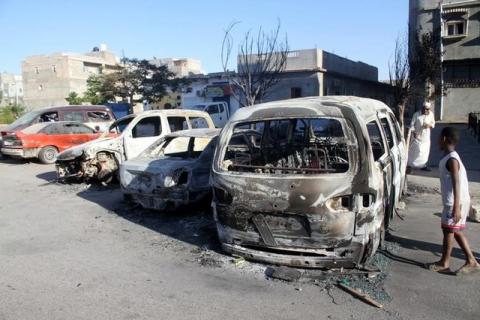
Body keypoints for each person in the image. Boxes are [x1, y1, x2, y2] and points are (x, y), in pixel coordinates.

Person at [428, 127, 480, 274]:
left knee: (448, 231)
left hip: (455, 202)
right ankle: (471, 261)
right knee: (453, 231)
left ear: (444, 139)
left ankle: (444, 263)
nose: (437, 141)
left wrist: (456, 206)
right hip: (456, 201)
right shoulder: (450, 157)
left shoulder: (452, 159)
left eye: (439, 138)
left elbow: (456, 182)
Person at [408, 101, 435, 171]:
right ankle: (410, 165)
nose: (426, 110)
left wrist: (429, 125)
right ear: (422, 108)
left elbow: (433, 123)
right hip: (416, 137)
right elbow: (411, 125)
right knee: (414, 151)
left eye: (427, 109)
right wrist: (414, 132)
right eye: (425, 109)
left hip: (426, 137)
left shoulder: (431, 114)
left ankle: (423, 165)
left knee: (424, 152)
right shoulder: (416, 114)